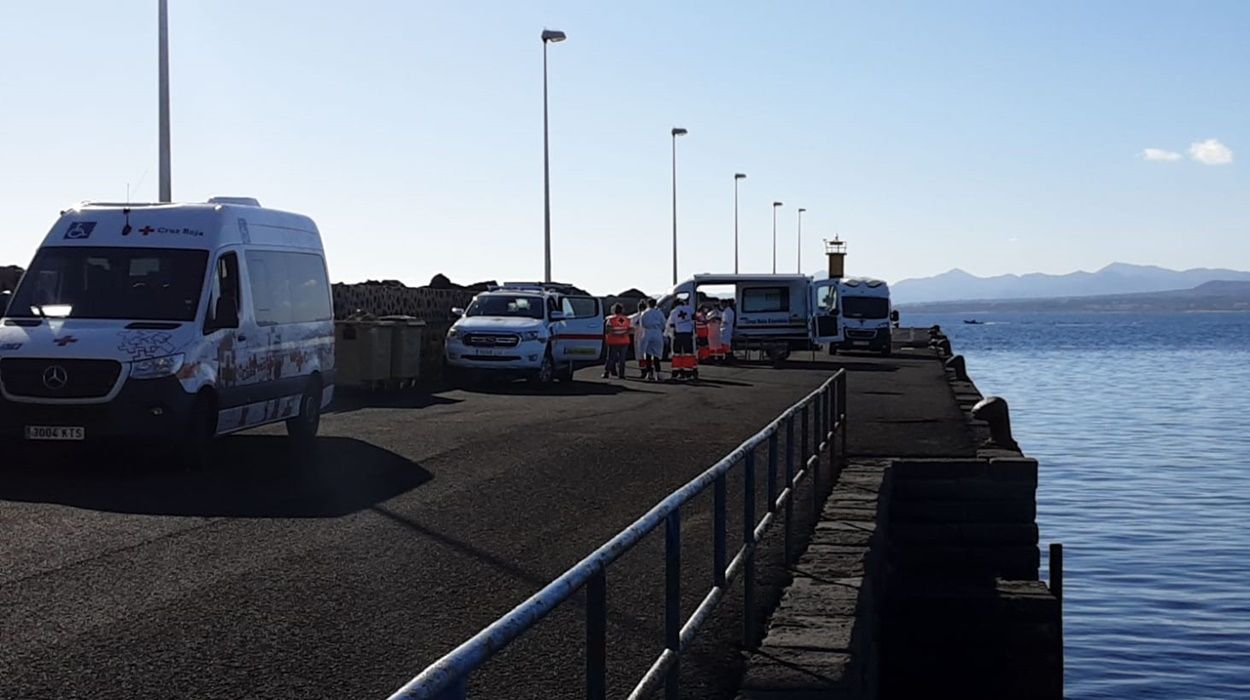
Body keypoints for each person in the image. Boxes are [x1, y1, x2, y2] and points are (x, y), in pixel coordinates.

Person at [667, 295, 697, 380]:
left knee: (677, 353)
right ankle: (688, 371)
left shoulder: (674, 312)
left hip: (678, 334)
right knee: (688, 353)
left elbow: (671, 324)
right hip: (689, 334)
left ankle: (676, 371)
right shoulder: (690, 309)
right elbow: (694, 319)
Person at [639, 298, 666, 381]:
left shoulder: (644, 313)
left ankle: (649, 373)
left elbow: (642, 324)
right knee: (657, 354)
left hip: (647, 332)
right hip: (657, 332)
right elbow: (663, 323)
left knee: (648, 353)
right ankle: (658, 374)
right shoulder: (659, 313)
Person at [603, 303, 632, 379]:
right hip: (624, 341)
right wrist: (623, 334)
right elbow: (631, 329)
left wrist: (615, 334)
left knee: (611, 358)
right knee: (622, 359)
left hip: (613, 341)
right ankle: (621, 374)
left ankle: (607, 372)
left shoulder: (611, 319)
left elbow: (607, 330)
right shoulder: (627, 319)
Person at [631, 299, 649, 378]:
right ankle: (649, 371)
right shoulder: (649, 315)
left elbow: (631, 327)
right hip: (647, 337)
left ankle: (643, 372)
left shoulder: (635, 317)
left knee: (640, 356)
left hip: (638, 338)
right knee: (648, 355)